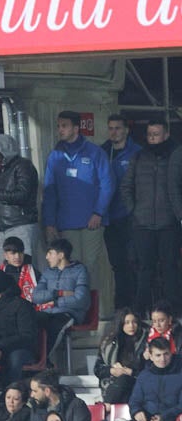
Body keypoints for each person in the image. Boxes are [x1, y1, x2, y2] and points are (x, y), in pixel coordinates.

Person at [43, 109, 116, 301]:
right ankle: (76, 312)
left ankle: (96, 312)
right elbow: (49, 192)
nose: (60, 130)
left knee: (91, 267)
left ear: (76, 128)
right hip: (66, 222)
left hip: (91, 221)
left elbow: (107, 184)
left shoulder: (94, 153)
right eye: (59, 126)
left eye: (64, 126)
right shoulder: (55, 156)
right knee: (71, 267)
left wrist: (98, 212)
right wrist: (49, 223)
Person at [121, 119, 182, 314]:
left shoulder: (176, 155)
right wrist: (134, 211)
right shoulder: (138, 157)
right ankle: (140, 310)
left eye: (156, 133)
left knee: (170, 268)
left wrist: (178, 214)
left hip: (169, 223)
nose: (152, 138)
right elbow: (126, 186)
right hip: (143, 223)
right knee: (144, 269)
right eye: (149, 134)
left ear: (166, 134)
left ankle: (175, 311)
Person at [102, 114, 143, 310]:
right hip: (110, 218)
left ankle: (136, 306)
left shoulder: (137, 153)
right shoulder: (103, 152)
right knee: (117, 265)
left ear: (126, 130)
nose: (114, 132)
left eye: (118, 128)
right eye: (111, 128)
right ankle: (121, 307)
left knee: (132, 262)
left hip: (130, 217)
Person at [0, 133, 42, 265]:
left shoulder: (23, 166)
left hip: (21, 225)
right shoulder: (3, 169)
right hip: (4, 228)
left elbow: (22, 195)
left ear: (4, 150)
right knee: (7, 271)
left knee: (25, 271)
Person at [32, 238, 92, 356]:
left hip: (69, 313)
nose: (47, 257)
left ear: (61, 255)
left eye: (50, 253)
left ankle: (44, 360)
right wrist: (58, 293)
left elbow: (81, 299)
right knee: (31, 321)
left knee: (55, 326)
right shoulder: (48, 272)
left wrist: (55, 303)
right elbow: (36, 297)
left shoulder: (80, 271)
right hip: (47, 312)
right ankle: (33, 358)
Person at [0, 270, 39, 383]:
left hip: (19, 349)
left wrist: (2, 348)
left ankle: (11, 391)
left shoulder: (22, 306)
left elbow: (27, 335)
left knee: (14, 359)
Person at [118, 338, 182, 421]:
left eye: (166, 354)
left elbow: (180, 405)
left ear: (171, 353)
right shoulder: (144, 376)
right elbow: (134, 400)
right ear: (151, 357)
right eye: (158, 355)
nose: (163, 359)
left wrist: (164, 417)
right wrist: (137, 412)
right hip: (147, 420)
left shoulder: (179, 375)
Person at [97, 308, 146, 405]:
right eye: (127, 323)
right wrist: (112, 370)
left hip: (136, 383)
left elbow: (148, 371)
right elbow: (97, 369)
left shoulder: (144, 343)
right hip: (113, 384)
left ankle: (106, 405)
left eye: (134, 322)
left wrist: (130, 372)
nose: (131, 326)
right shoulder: (110, 343)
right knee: (122, 383)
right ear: (120, 324)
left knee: (124, 379)